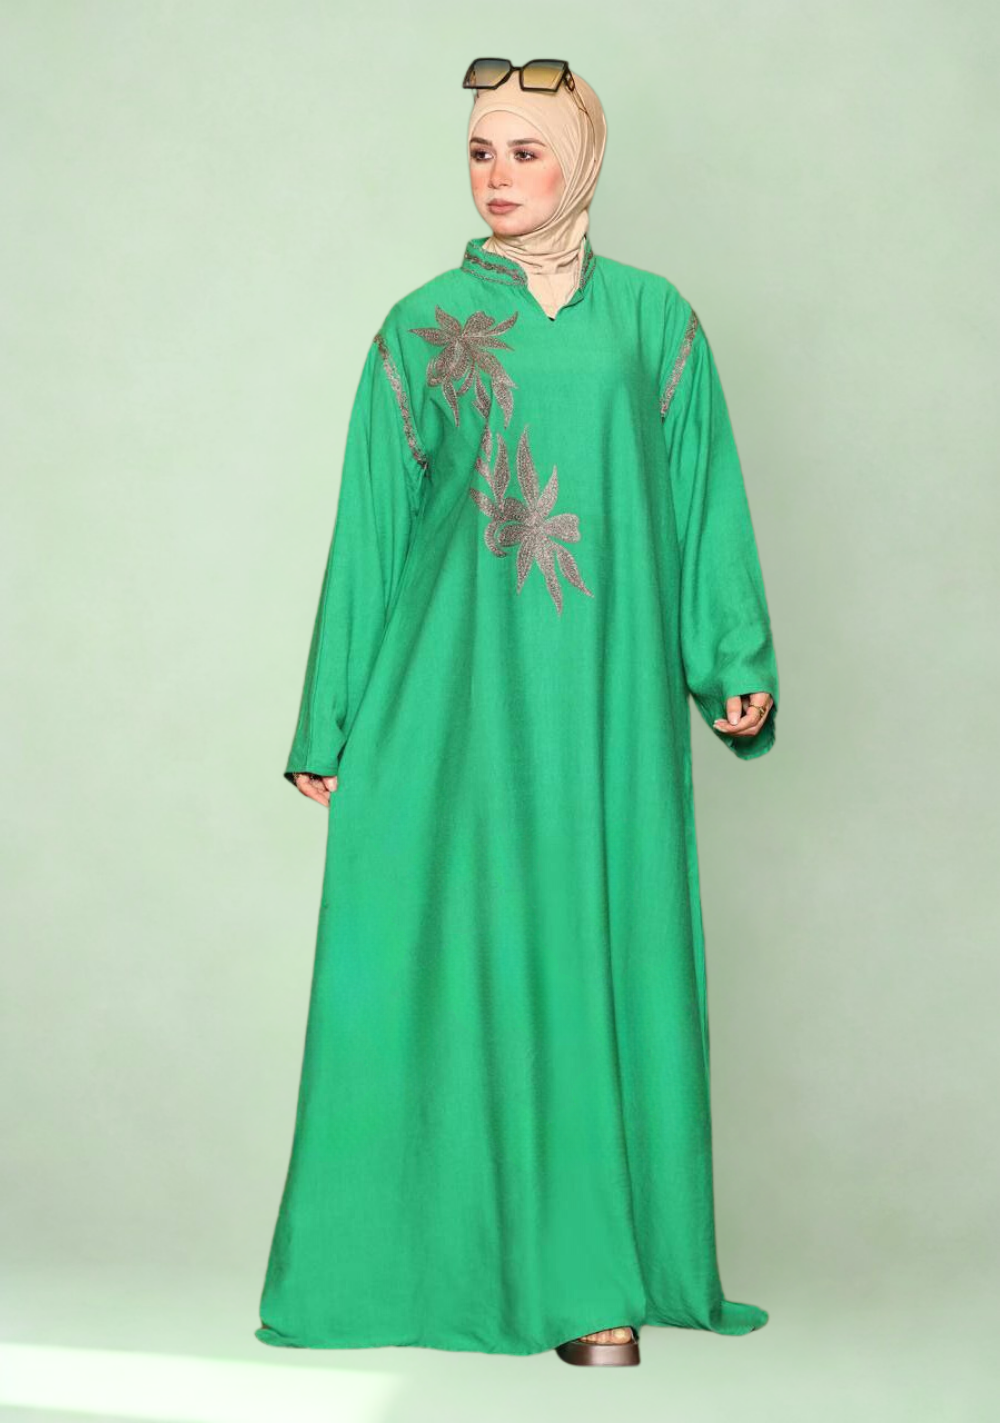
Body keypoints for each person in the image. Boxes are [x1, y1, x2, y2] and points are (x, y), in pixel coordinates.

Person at [255, 59, 779, 1369]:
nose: (498, 176)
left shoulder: (654, 321)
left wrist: (730, 653)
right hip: (456, 707)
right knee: (468, 964)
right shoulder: (422, 326)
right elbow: (372, 531)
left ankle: (597, 1282)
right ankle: (477, 1269)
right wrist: (331, 720)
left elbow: (702, 492)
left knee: (594, 948)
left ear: (582, 161)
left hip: (604, 705)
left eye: (526, 150)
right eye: (481, 152)